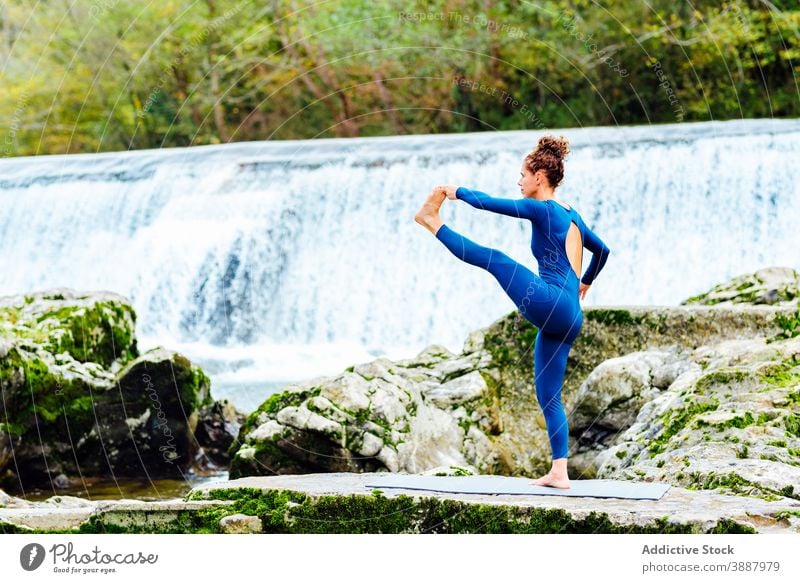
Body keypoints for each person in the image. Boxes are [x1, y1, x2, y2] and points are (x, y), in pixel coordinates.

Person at [414, 135, 611, 489]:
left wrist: (454, 190)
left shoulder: (543, 208)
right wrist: (585, 283)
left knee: (496, 259)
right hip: (570, 318)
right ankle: (559, 472)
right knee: (548, 395)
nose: (519, 181)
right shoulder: (573, 216)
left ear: (539, 178)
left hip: (550, 302)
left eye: (522, 174)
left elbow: (489, 204)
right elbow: (604, 251)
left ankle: (431, 220)